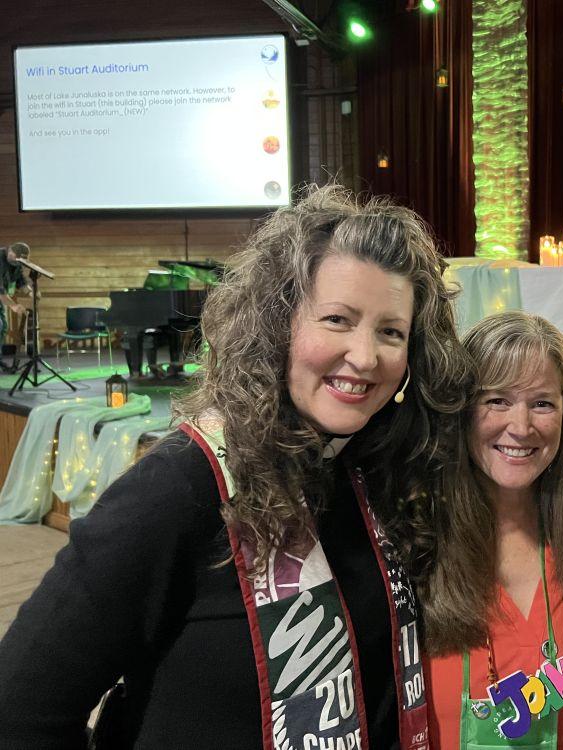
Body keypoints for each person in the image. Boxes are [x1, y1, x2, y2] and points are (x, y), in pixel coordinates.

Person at [0, 184, 472, 749]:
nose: (366, 356)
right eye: (338, 319)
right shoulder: (181, 486)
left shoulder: (371, 469)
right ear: (279, 322)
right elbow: (19, 709)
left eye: (391, 331)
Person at [415, 311, 563, 749]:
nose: (521, 428)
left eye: (542, 403)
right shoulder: (415, 540)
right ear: (461, 410)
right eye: (496, 400)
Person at [0, 241, 32, 345]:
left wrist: (31, 292)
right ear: (10, 251)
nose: (18, 262)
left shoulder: (16, 263)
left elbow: (20, 281)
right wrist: (13, 306)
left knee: (3, 327)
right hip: (1, 294)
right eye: (16, 258)